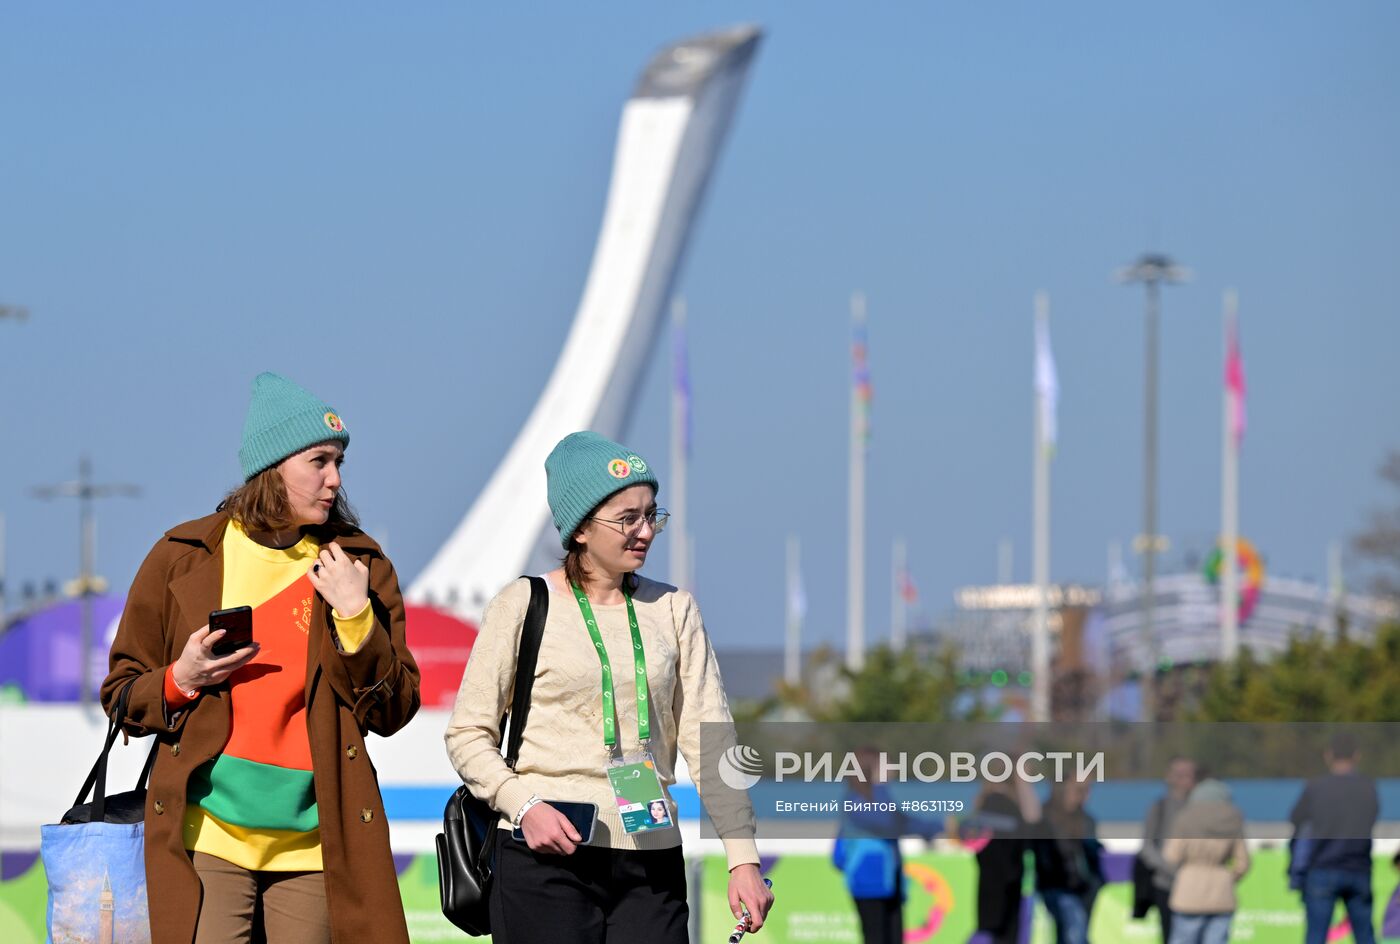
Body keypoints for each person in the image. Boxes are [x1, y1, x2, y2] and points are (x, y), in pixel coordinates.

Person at [101, 372, 421, 944]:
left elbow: (393, 711)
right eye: (318, 461)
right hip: (206, 835)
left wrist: (356, 618)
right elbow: (122, 695)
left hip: (318, 841)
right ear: (273, 468)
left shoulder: (360, 566)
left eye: (339, 462)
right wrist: (181, 679)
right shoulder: (185, 556)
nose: (335, 479)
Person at [446, 431, 774, 943]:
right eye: (627, 518)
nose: (645, 531)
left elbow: (713, 743)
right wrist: (523, 806)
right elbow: (467, 735)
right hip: (544, 855)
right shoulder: (523, 603)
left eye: (651, 515)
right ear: (579, 529)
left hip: (651, 857)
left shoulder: (674, 608)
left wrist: (743, 859)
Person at [832, 745, 942, 944]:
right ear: (871, 768)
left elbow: (905, 822)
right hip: (868, 881)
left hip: (891, 880)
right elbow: (887, 821)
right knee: (876, 937)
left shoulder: (880, 798)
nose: (892, 768)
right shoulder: (856, 799)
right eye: (887, 764)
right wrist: (880, 785)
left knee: (894, 937)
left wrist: (939, 827)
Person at [1290, 732, 1380, 944]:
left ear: (1328, 756)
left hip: (1322, 867)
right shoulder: (1368, 787)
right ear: (1357, 756)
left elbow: (1297, 820)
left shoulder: (1316, 788)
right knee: (1365, 936)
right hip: (1359, 869)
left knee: (1316, 936)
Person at [1162, 778, 1250, 944]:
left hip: (1189, 892)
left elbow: (1171, 856)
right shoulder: (1233, 819)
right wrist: (1227, 877)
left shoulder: (1185, 817)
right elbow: (1243, 863)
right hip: (1222, 892)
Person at [966, 775, 1041, 944]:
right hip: (1008, 884)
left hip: (996, 884)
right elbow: (1032, 822)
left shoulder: (988, 804)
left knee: (991, 932)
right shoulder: (1001, 804)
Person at [1033, 778, 1104, 944]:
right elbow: (1049, 855)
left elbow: (1089, 855)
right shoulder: (1046, 819)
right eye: (1078, 790)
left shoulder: (1085, 819)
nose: (1084, 795)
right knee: (1073, 931)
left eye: (1086, 790)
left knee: (1076, 932)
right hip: (1058, 885)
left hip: (1084, 887)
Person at [1137, 756, 1199, 942]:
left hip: (1196, 885)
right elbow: (1147, 847)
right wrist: (1169, 868)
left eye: (1189, 775)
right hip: (1165, 884)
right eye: (1179, 775)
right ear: (1169, 777)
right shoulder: (1159, 807)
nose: (1184, 780)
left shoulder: (1201, 809)